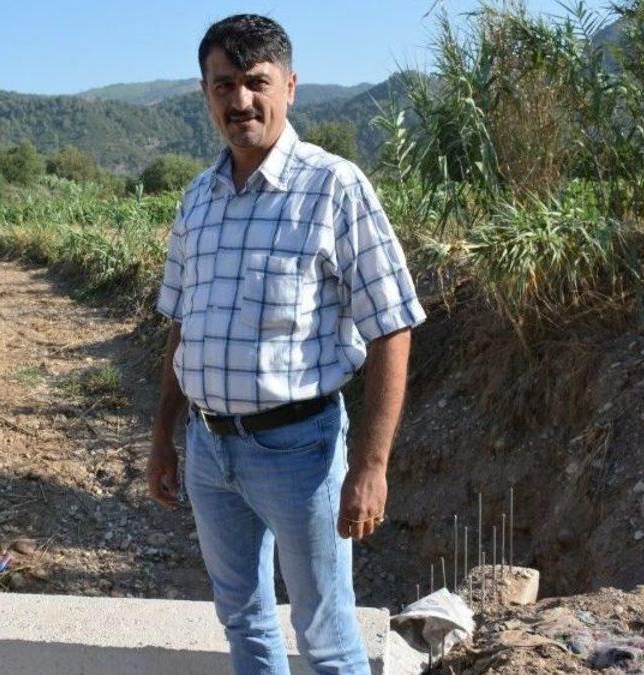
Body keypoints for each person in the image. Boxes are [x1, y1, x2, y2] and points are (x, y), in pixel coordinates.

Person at [147, 14, 425, 675]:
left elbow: (392, 324)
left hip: (300, 453)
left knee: (326, 635)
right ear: (205, 93)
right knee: (242, 619)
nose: (240, 100)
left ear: (290, 87)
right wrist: (163, 435)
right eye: (223, 85)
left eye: (256, 82)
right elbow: (182, 323)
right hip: (209, 451)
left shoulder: (333, 187)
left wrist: (371, 465)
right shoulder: (198, 199)